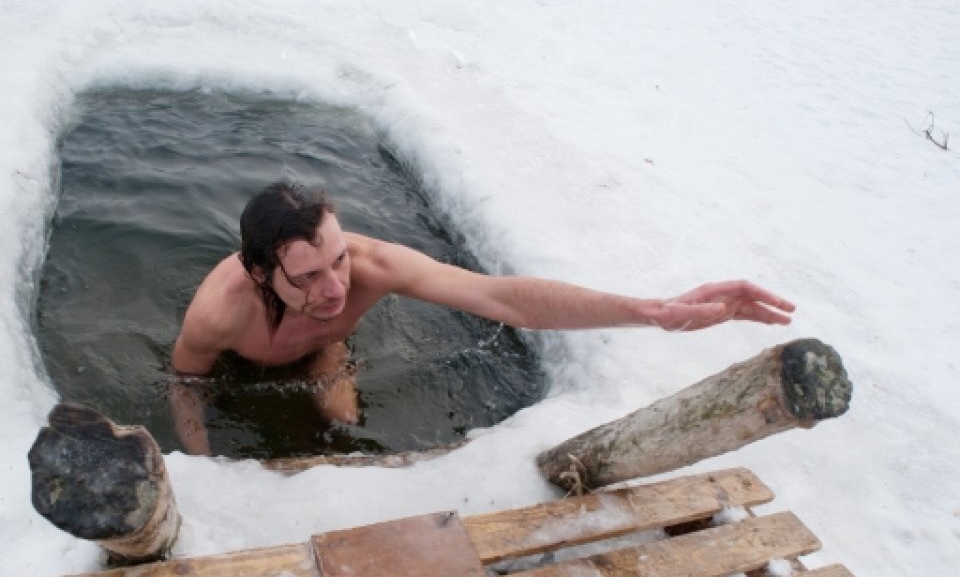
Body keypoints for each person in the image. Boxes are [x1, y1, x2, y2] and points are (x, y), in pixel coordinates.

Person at [170, 181, 795, 455]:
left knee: (344, 428)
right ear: (260, 274)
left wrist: (649, 311)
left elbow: (501, 298)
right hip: (238, 364)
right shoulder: (219, 313)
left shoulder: (375, 264)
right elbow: (184, 384)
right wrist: (201, 469)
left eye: (338, 260)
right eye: (307, 278)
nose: (336, 288)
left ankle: (330, 381)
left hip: (324, 353)